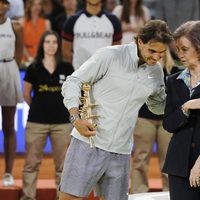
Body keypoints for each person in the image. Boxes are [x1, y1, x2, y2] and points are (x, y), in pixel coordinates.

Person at [59, 19, 173, 200]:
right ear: (140, 41)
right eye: (152, 51)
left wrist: (181, 101)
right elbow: (73, 81)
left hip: (122, 151)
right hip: (88, 143)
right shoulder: (109, 55)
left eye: (161, 53)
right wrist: (75, 118)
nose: (156, 57)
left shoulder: (156, 72)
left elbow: (157, 107)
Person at [20, 30, 74, 200]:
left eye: (54, 42)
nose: (51, 45)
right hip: (36, 123)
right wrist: (39, 107)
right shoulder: (33, 68)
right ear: (42, 45)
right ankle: (28, 196)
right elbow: (26, 94)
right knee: (31, 164)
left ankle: (62, 197)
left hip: (62, 124)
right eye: (47, 42)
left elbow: (72, 93)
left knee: (63, 166)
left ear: (58, 46)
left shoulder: (67, 67)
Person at [131, 49, 181, 194]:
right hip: (144, 118)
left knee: (169, 158)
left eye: (162, 50)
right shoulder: (142, 69)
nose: (159, 54)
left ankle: (170, 193)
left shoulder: (176, 71)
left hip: (169, 119)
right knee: (141, 157)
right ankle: (138, 193)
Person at [162, 21, 200, 200]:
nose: (180, 54)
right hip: (179, 166)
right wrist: (186, 107)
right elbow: (168, 124)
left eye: (185, 49)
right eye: (177, 49)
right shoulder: (173, 80)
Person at [0, 0, 23, 186]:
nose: (0, 5)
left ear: (8, 6)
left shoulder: (15, 26)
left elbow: (20, 53)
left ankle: (8, 172)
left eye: (3, 3)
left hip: (9, 69)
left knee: (8, 125)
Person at [61, 0, 122, 70]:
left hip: (105, 74)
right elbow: (65, 53)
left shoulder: (113, 20)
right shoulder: (72, 20)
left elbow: (117, 52)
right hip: (78, 74)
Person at [22, 0, 51, 65]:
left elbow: (48, 42)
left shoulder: (46, 23)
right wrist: (29, 57)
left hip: (42, 59)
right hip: (24, 60)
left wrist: (38, 57)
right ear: (29, 6)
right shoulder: (22, 22)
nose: (37, 7)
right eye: (34, 4)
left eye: (39, 4)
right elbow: (21, 44)